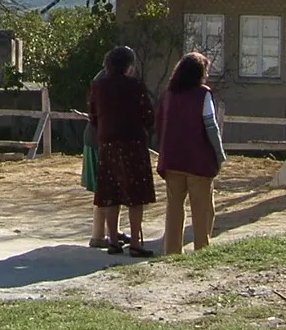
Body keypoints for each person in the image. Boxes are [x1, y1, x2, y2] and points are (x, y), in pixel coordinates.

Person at [87, 45, 156, 256]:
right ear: (128, 65)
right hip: (133, 143)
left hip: (107, 144)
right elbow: (148, 115)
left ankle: (114, 240)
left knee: (111, 193)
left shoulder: (97, 86)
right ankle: (135, 242)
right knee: (136, 195)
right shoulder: (135, 86)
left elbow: (93, 116)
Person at [156, 51, 226, 253]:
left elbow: (160, 123)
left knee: (174, 209)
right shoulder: (202, 94)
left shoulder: (168, 94)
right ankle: (201, 249)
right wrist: (219, 154)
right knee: (203, 209)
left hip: (172, 160)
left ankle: (172, 251)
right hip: (198, 161)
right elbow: (210, 126)